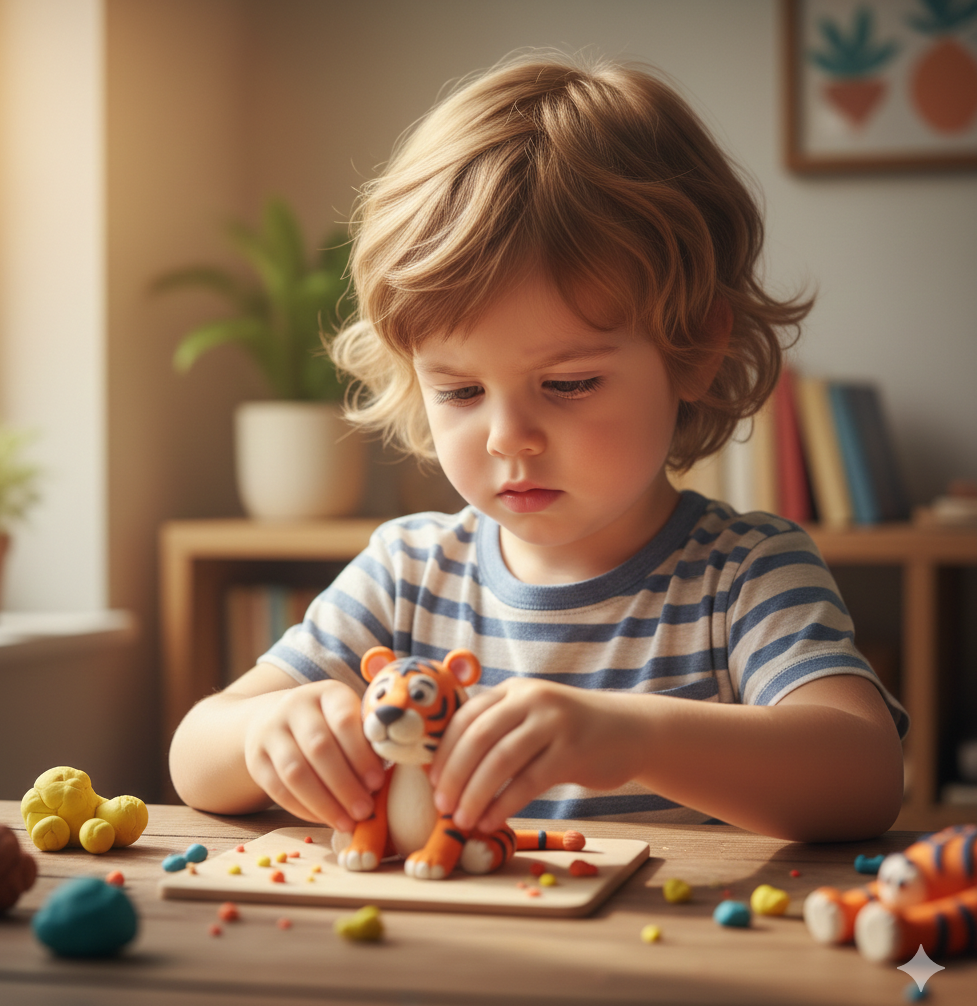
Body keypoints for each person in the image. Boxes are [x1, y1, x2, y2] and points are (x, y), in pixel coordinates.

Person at [170, 53, 907, 843]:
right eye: (459, 391)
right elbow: (194, 755)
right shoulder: (407, 574)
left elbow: (863, 776)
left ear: (694, 348)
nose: (506, 437)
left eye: (569, 384)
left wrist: (633, 737)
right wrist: (272, 728)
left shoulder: (745, 575)